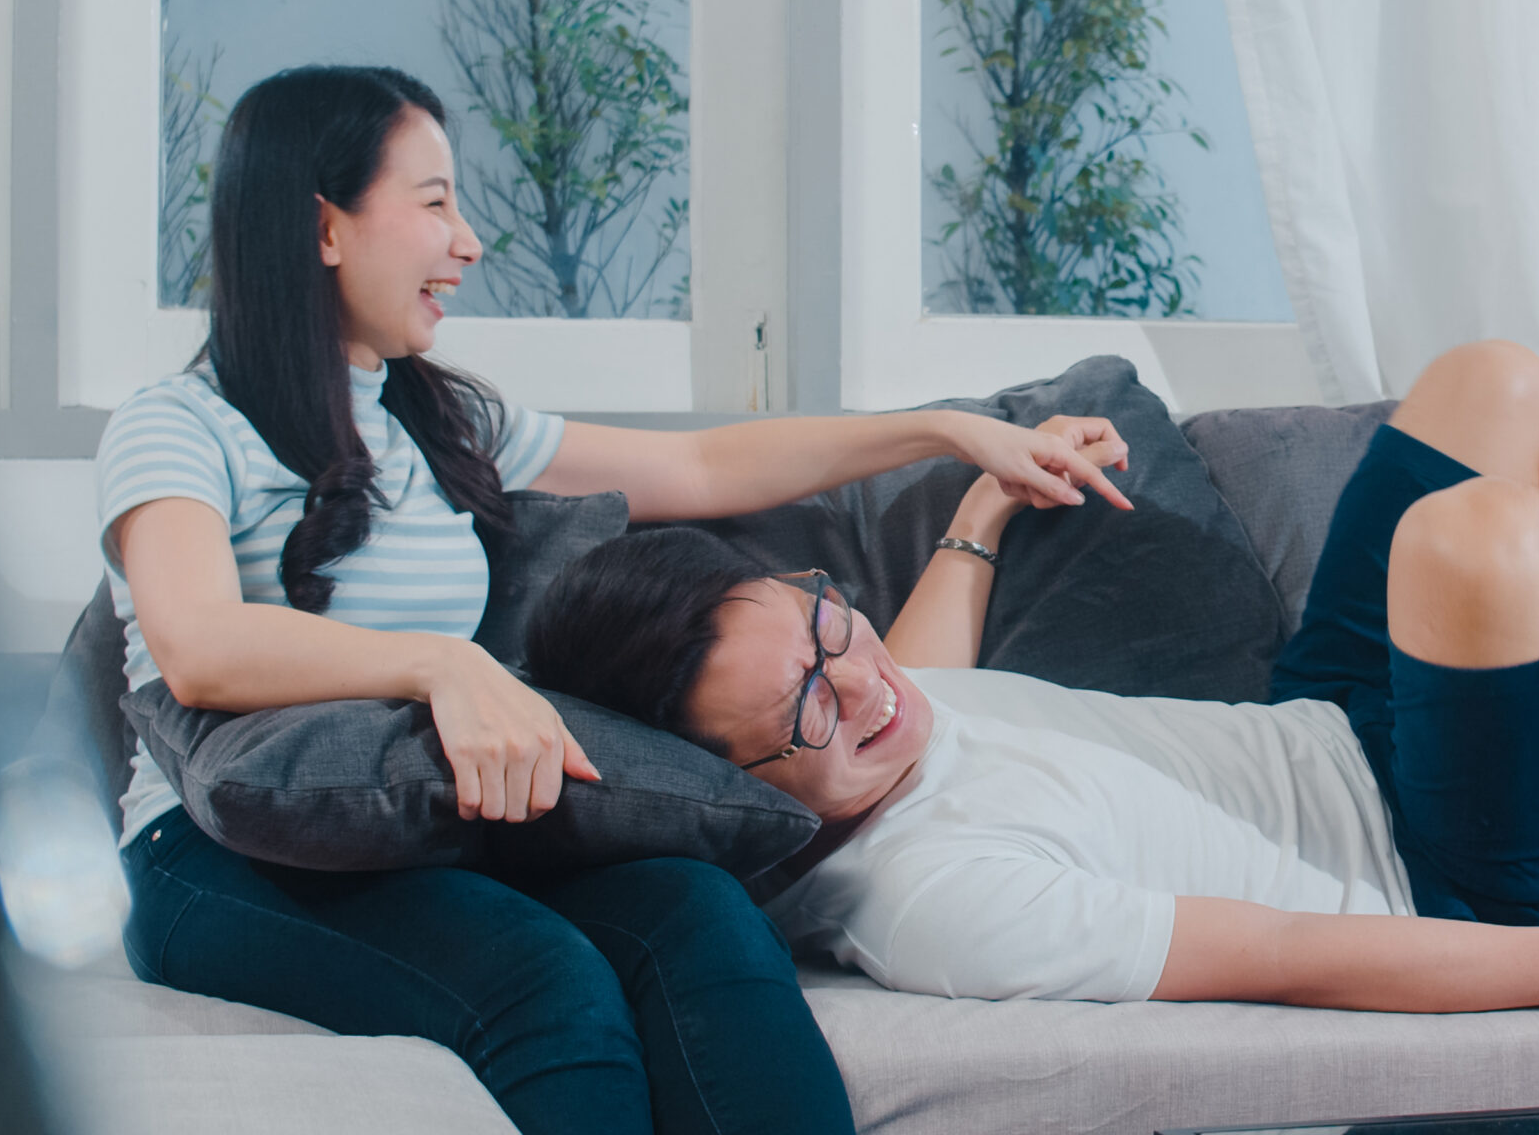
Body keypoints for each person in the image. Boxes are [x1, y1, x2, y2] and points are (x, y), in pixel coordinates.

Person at [100, 65, 1135, 1135]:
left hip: (420, 832)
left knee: (701, 915)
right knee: (546, 981)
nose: (470, 242)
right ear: (325, 227)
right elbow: (199, 649)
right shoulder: (177, 425)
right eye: (435, 202)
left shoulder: (441, 422)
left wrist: (947, 431)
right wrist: (442, 663)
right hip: (212, 857)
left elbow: (699, 471)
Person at [528, 340, 1539, 1030]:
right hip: (1441, 868)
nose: (860, 689)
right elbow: (1287, 953)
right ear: (740, 791)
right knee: (1470, 534)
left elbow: (916, 665)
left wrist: (986, 496)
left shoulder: (885, 709)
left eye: (824, 626)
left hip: (1328, 725)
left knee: (1495, 382)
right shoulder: (936, 900)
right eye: (807, 709)